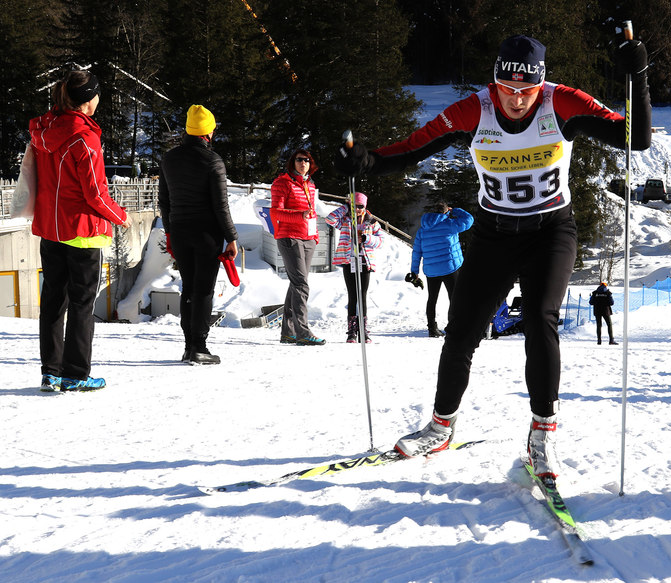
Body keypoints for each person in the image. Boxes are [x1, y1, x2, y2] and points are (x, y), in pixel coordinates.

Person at [336, 33, 651, 478]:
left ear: (540, 84)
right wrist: (366, 162)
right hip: (494, 233)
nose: (517, 100)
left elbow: (636, 139)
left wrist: (638, 74)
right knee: (462, 329)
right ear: (495, 82)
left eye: (527, 90)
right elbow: (413, 147)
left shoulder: (561, 102)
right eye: (508, 89)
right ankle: (440, 426)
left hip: (550, 231)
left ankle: (543, 434)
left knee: (540, 318)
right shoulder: (474, 110)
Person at [30, 70, 132, 392]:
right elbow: (95, 193)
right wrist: (121, 216)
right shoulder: (84, 137)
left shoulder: (45, 129)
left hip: (51, 228)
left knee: (53, 301)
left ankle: (51, 372)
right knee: (81, 304)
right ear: (90, 100)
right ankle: (75, 374)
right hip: (82, 230)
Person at [159, 105, 238, 365]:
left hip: (180, 232)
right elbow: (221, 206)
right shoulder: (213, 161)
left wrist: (169, 232)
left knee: (189, 289)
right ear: (208, 132)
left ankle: (188, 347)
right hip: (207, 234)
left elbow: (164, 201)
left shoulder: (169, 159)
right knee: (204, 290)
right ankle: (199, 347)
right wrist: (231, 237)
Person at [270, 149, 325, 346]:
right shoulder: (282, 183)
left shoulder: (310, 184)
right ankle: (303, 332)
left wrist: (315, 235)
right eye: (299, 160)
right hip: (289, 237)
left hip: (308, 238)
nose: (303, 163)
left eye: (307, 160)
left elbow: (312, 212)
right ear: (292, 162)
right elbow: (276, 212)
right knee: (301, 284)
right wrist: (299, 215)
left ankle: (288, 332)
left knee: (297, 284)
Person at [408, 201, 474, 337]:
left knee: (432, 299)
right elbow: (469, 219)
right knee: (454, 298)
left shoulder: (422, 229)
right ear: (446, 212)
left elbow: (416, 252)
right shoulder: (450, 225)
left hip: (431, 271)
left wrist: (414, 271)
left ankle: (432, 328)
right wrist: (454, 210)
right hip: (450, 268)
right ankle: (453, 327)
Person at [326, 192, 384, 343]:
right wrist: (345, 208)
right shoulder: (345, 220)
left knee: (362, 295)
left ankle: (363, 330)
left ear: (365, 206)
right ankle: (352, 331)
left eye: (360, 206)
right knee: (352, 295)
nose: (357, 209)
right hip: (348, 260)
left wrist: (366, 238)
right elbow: (330, 219)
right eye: (354, 206)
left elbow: (381, 241)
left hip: (364, 261)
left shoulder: (371, 222)